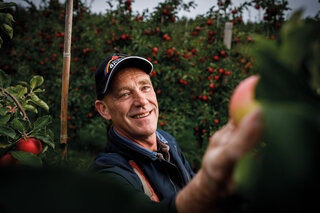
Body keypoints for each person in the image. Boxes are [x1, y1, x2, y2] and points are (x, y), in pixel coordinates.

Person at [91, 53, 263, 212]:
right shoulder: (107, 175)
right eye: (125, 94)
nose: (142, 101)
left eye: (145, 87)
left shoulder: (166, 141)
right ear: (104, 109)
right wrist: (206, 184)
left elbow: (188, 182)